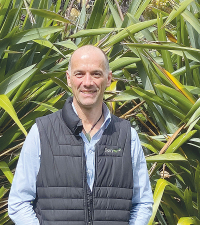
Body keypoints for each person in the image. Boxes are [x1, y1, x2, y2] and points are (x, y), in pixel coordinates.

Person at [8, 45, 153, 225]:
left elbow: (143, 203)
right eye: (79, 74)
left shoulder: (127, 136)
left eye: (96, 74)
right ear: (69, 79)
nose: (87, 82)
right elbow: (19, 202)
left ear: (109, 79)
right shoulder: (42, 132)